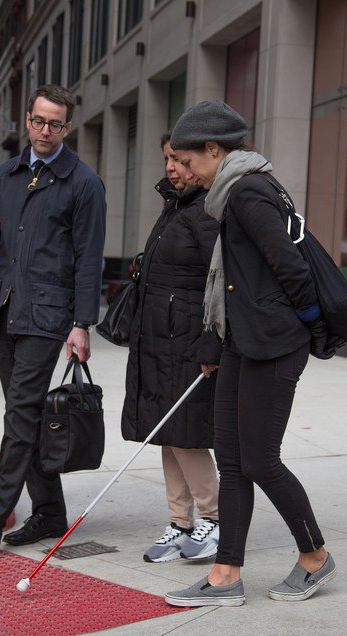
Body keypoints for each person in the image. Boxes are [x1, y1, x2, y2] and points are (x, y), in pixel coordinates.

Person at [162, 100, 340, 608]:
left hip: (273, 346)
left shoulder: (247, 193)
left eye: (190, 161)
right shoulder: (229, 193)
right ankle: (225, 574)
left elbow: (291, 270)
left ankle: (315, 555)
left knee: (260, 460)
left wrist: (302, 324)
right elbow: (236, 279)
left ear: (214, 150)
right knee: (234, 462)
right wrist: (217, 342)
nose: (186, 172)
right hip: (241, 343)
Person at [0, 84, 106, 548]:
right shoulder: (7, 175)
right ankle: (51, 512)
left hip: (48, 315)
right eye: (38, 121)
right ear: (27, 120)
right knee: (29, 417)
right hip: (6, 308)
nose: (45, 131)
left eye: (55, 124)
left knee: (19, 415)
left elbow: (89, 258)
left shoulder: (83, 183)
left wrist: (81, 323)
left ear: (67, 128)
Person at [121, 133, 221, 563]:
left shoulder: (208, 210)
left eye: (179, 160)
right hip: (158, 339)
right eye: (168, 159)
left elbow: (220, 284)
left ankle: (215, 519)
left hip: (189, 342)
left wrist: (210, 343)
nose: (172, 168)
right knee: (167, 431)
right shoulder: (175, 206)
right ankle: (180, 523)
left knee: (188, 435)